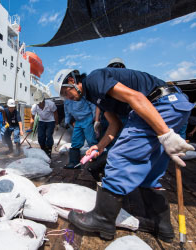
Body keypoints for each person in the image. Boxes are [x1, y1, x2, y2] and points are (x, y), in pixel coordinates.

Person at [53, 67, 194, 242]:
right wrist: (99, 146)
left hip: (160, 103)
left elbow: (137, 98)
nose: (68, 98)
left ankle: (102, 219)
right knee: (149, 170)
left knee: (119, 156)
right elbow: (115, 125)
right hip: (173, 104)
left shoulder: (94, 80)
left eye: (66, 92)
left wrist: (165, 135)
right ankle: (159, 224)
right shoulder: (94, 95)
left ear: (72, 81)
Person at [63, 97, 97, 168]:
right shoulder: (66, 101)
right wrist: (66, 122)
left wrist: (95, 119)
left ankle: (96, 162)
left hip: (88, 119)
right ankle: (74, 163)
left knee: (91, 141)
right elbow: (67, 112)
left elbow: (93, 106)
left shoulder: (83, 96)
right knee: (75, 141)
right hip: (78, 121)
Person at [28, 90, 58, 158]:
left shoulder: (51, 104)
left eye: (40, 102)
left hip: (51, 121)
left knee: (48, 135)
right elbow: (32, 118)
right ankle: (44, 150)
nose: (39, 104)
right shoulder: (34, 107)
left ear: (43, 100)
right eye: (37, 103)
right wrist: (30, 128)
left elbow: (55, 114)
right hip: (41, 121)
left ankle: (49, 150)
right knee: (40, 137)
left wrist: (57, 124)